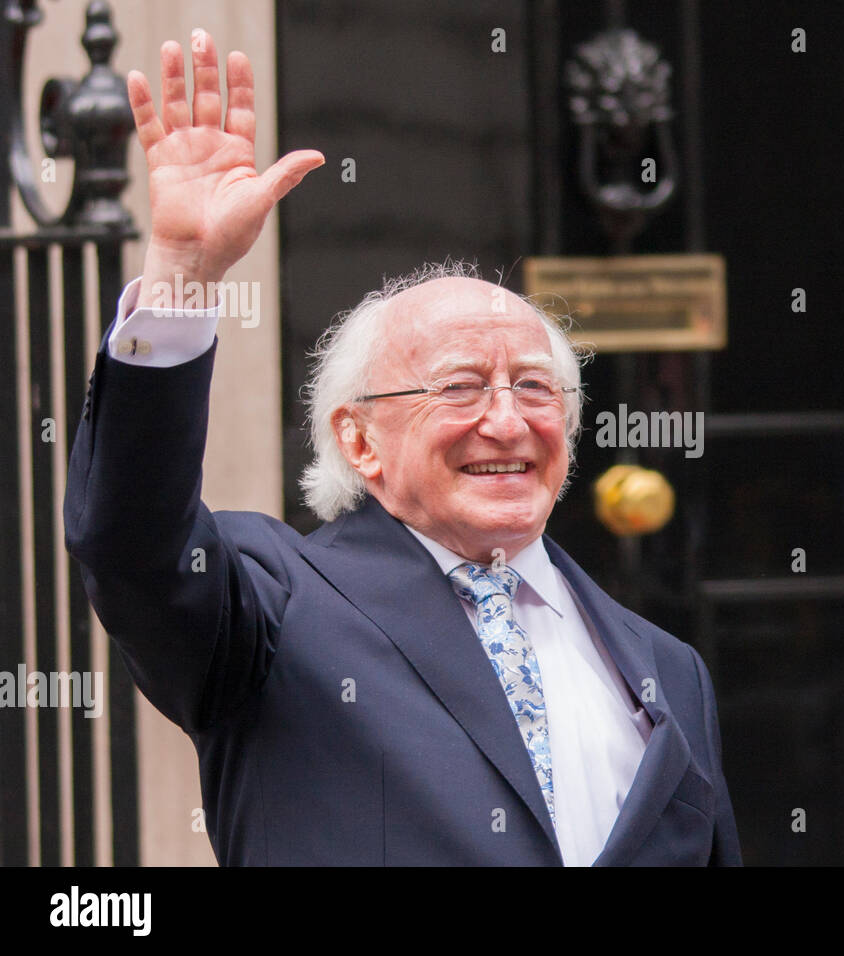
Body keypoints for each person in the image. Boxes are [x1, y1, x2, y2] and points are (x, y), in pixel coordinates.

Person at [64, 29, 741, 866]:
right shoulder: (273, 608)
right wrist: (183, 275)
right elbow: (128, 543)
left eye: (535, 388)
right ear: (359, 439)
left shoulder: (668, 670)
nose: (506, 421)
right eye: (459, 387)